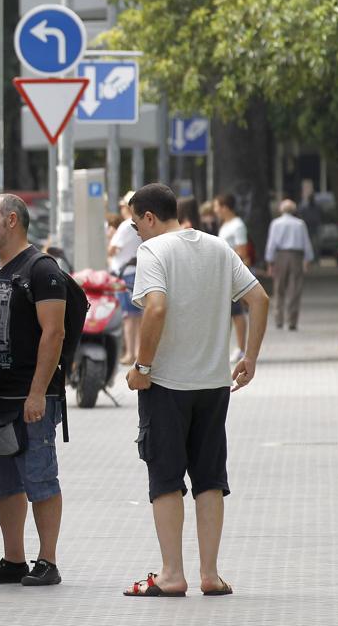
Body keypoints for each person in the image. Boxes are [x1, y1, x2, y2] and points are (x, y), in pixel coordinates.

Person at [123, 183, 268, 597]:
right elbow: (259, 299)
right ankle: (210, 573)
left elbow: (156, 307)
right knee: (209, 479)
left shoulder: (153, 252)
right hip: (214, 383)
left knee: (165, 478)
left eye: (136, 225)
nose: (137, 232)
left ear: (150, 218)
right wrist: (250, 357)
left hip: (166, 383)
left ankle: (171, 574)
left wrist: (142, 367)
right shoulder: (218, 247)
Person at [0, 194, 66, 587]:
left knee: (39, 479)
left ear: (12, 221)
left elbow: (54, 332)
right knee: (2, 483)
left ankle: (48, 560)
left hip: (30, 399)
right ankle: (14, 559)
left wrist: (37, 393)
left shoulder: (42, 269)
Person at [264, 199, 315, 331]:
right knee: (295, 289)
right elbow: (306, 242)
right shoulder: (300, 224)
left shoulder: (275, 223)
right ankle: (292, 320)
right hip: (296, 256)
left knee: (279, 288)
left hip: (280, 255)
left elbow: (271, 243)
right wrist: (308, 259)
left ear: (281, 209)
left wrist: (270, 262)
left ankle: (278, 319)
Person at [214, 194, 251, 360]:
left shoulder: (237, 225)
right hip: (223, 273)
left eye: (217, 206)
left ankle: (241, 348)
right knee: (226, 312)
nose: (215, 210)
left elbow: (242, 250)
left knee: (237, 312)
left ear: (225, 207)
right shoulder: (225, 225)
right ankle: (225, 347)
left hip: (232, 273)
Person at [109, 191, 142, 366]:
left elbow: (112, 249)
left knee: (129, 316)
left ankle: (130, 353)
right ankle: (137, 352)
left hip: (124, 273)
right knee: (138, 316)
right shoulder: (139, 224)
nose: (121, 209)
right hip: (138, 271)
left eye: (122, 206)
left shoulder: (125, 225)